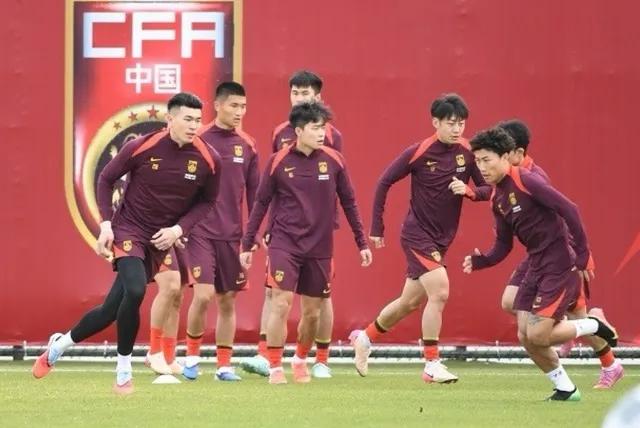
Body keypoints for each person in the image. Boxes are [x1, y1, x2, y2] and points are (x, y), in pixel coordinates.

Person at [32, 93, 221, 394]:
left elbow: (208, 201)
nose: (193, 125)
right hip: (129, 229)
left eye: (198, 120)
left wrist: (178, 229)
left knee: (110, 310)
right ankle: (124, 369)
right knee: (135, 290)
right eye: (187, 119)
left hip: (161, 239)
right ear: (170, 119)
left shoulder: (209, 158)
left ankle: (58, 346)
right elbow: (105, 179)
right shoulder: (141, 146)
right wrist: (106, 224)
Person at [463, 127, 618, 401]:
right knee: (525, 336)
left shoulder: (527, 179)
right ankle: (566, 389)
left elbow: (570, 209)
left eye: (487, 160)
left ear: (506, 157)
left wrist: (583, 254)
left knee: (538, 336)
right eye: (478, 161)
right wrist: (481, 261)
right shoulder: (497, 198)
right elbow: (503, 246)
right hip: (536, 264)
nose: (482, 168)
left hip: (560, 265)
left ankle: (593, 325)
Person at [350, 93, 488, 383]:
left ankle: (365, 338)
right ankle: (431, 364)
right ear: (435, 122)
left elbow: (488, 188)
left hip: (441, 239)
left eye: (461, 123)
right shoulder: (420, 151)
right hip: (416, 234)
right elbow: (384, 181)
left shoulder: (468, 151)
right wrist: (377, 227)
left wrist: (470, 192)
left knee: (408, 302)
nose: (457, 129)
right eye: (451, 123)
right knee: (440, 291)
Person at [240, 102, 372, 384]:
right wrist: (247, 242)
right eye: (315, 128)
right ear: (298, 131)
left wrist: (362, 242)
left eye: (323, 127)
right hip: (284, 244)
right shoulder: (278, 161)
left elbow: (349, 202)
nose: (321, 133)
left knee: (312, 313)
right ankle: (275, 366)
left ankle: (300, 359)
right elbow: (261, 203)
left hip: (320, 247)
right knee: (281, 303)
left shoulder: (335, 160)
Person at [241, 70, 342, 379]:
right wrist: (269, 227)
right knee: (275, 294)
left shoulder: (331, 136)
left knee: (320, 299)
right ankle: (267, 357)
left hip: (319, 232)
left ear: (318, 97)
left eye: (306, 93)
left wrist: (328, 223)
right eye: (295, 92)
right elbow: (275, 188)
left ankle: (320, 359)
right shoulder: (279, 133)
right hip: (284, 229)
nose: (300, 98)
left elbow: (335, 184)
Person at [180, 82, 260, 382]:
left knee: (227, 301)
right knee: (203, 296)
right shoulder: (198, 138)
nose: (239, 112)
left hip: (232, 235)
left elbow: (255, 195)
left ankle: (223, 366)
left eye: (243, 106)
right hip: (200, 232)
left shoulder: (248, 144)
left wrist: (252, 236)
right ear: (217, 105)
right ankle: (191, 358)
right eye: (233, 105)